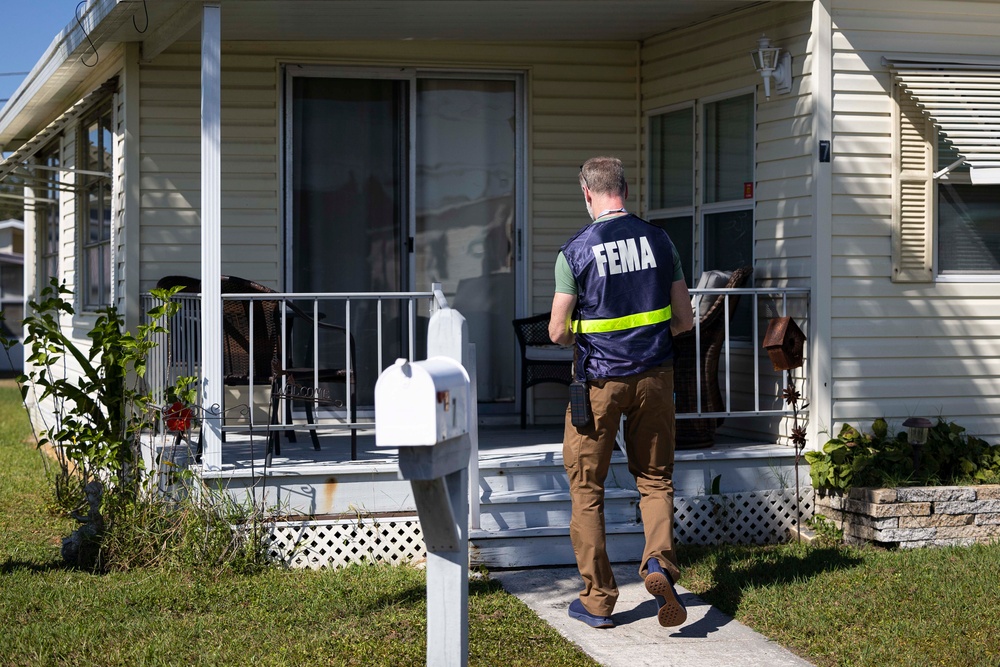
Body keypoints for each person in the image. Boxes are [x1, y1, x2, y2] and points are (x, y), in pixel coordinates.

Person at [548, 156, 694, 629]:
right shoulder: (661, 241)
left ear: (587, 194)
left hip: (597, 384)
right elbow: (684, 320)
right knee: (655, 479)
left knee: (587, 488)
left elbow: (556, 331)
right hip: (655, 377)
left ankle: (598, 600)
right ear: (624, 191)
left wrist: (581, 336)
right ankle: (658, 565)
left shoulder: (575, 251)